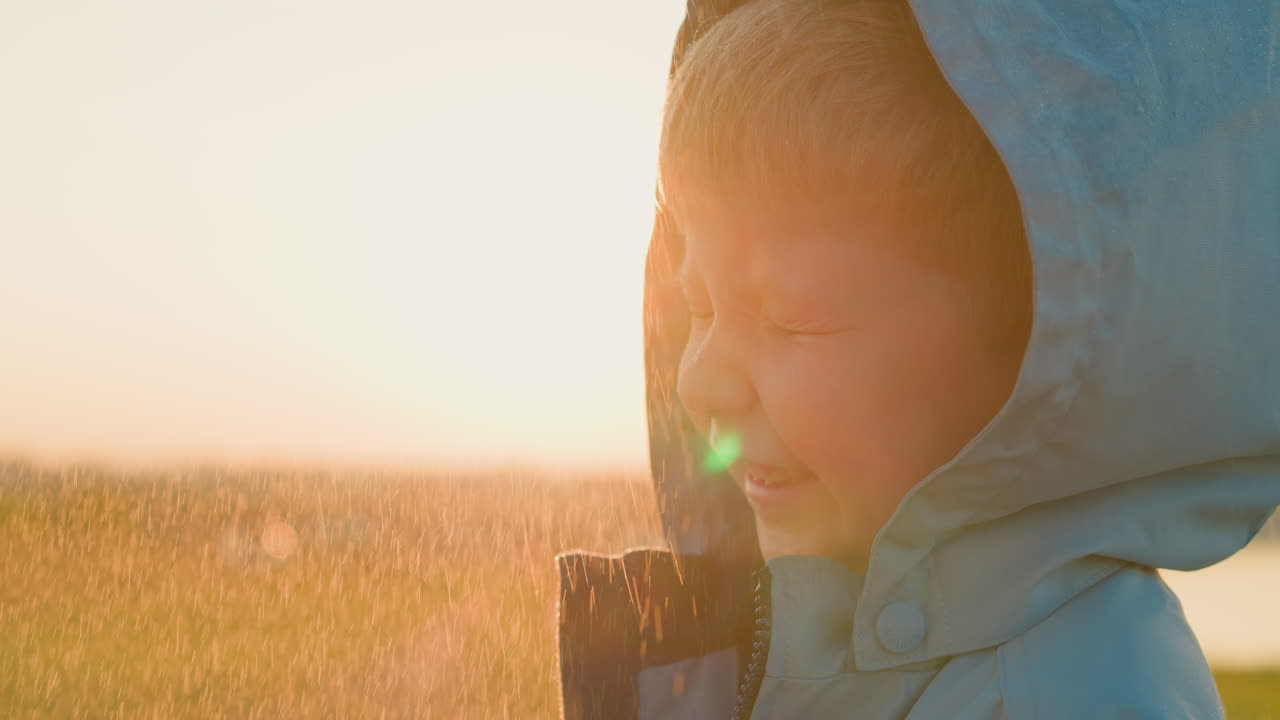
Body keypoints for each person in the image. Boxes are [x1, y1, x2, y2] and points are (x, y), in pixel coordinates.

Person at [556, 1, 1280, 718]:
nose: (699, 381)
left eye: (791, 318)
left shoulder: (1076, 693)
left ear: (1033, 335)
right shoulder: (804, 640)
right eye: (700, 310)